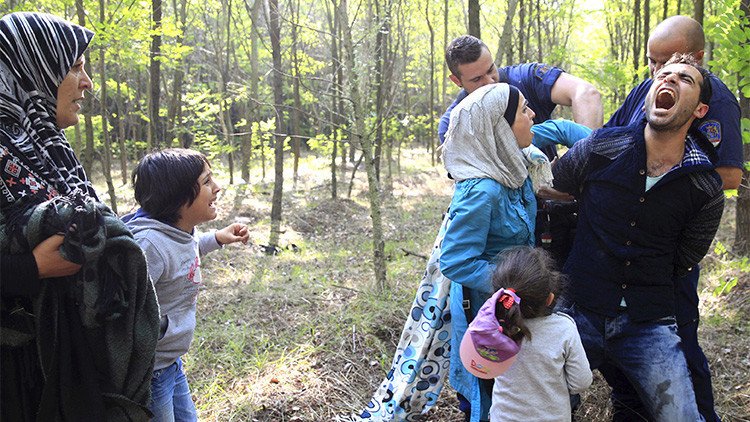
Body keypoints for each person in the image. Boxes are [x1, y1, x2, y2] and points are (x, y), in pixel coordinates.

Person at [1, 12, 159, 422]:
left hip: (63, 365)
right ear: (31, 71)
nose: (87, 82)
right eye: (74, 67)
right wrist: (30, 268)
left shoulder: (48, 150)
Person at [552, 54, 724, 421]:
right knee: (540, 408)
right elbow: (553, 187)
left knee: (681, 414)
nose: (671, 81)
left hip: (649, 324)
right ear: (649, 91)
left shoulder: (704, 186)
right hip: (577, 310)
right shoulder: (600, 147)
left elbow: (686, 257)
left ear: (699, 109)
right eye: (664, 75)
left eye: (686, 79)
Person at [603, 15, 741, 421]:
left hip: (668, 246)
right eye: (652, 62)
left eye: (671, 61)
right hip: (618, 245)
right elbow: (607, 140)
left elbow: (730, 174)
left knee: (676, 341)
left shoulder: (715, 100)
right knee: (621, 342)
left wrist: (663, 177)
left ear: (697, 58)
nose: (659, 72)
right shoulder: (646, 90)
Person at [439, 35, 602, 268]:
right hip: (503, 269)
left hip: (549, 229)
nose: (491, 82)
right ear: (456, 80)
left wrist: (581, 166)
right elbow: (459, 258)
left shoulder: (521, 83)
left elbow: (568, 118)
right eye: (477, 79)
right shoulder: (457, 130)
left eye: (491, 69)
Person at [438, 82, 540, 422]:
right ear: (499, 127)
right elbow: (455, 260)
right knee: (488, 390)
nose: (532, 115)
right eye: (524, 111)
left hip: (511, 303)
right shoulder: (482, 190)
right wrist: (511, 284)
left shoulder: (515, 168)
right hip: (486, 307)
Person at [123, 148, 249, 422]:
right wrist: (164, 329)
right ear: (178, 197)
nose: (217, 188)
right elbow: (125, 308)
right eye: (206, 182)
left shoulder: (177, 232)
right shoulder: (150, 245)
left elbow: (184, 251)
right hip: (151, 371)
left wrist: (216, 238)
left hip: (171, 363)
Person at [462, 246, 592, 422]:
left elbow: (480, 366)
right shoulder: (564, 328)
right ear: (550, 299)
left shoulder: (492, 325)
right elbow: (581, 381)